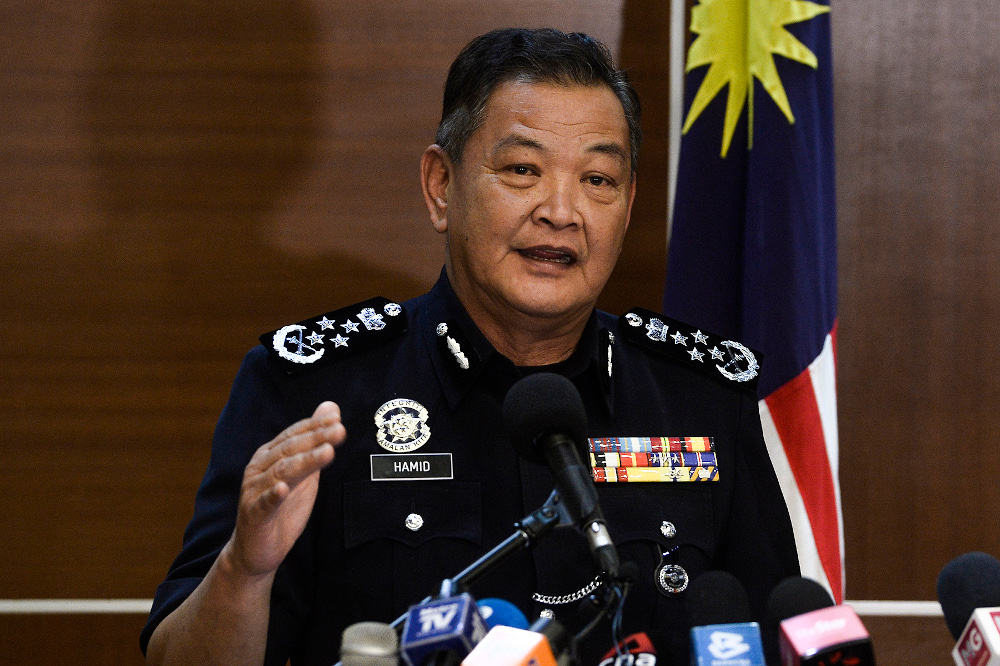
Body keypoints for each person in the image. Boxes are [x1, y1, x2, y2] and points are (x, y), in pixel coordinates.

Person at [142, 27, 798, 666]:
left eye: (598, 179)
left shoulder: (701, 398)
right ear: (441, 186)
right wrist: (246, 570)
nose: (561, 211)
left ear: (628, 206)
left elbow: (781, 636)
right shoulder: (314, 395)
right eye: (522, 170)